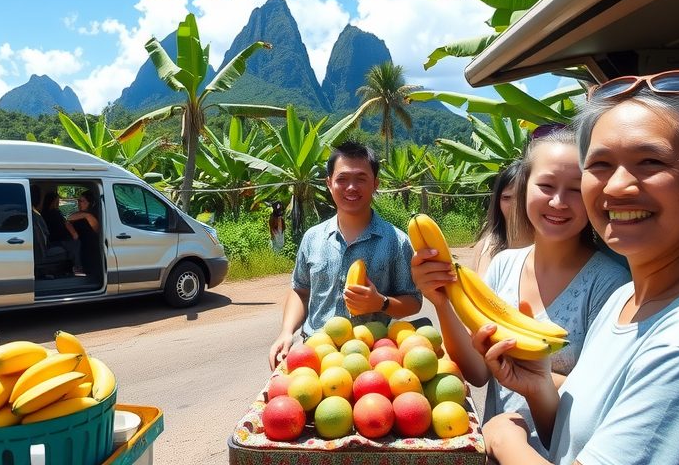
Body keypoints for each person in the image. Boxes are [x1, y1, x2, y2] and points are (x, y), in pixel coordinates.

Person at [475, 71, 679, 464]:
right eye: (599, 164)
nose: (616, 186)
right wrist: (539, 387)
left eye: (650, 161)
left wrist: (504, 442)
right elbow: (580, 437)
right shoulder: (626, 298)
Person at [413, 127, 628, 453]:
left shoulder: (611, 285)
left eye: (575, 189)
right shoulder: (504, 264)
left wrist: (538, 379)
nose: (558, 201)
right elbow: (479, 372)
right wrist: (441, 302)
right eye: (545, 186)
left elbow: (597, 408)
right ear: (524, 188)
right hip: (494, 451)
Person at [266, 141, 423, 369]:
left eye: (361, 178)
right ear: (329, 184)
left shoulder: (396, 241)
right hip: (315, 353)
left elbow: (413, 301)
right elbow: (300, 290)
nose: (351, 187)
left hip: (373, 359)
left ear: (375, 184)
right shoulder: (312, 238)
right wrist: (286, 333)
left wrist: (381, 302)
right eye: (342, 179)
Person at [467, 161, 522, 278]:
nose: (515, 205)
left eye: (522, 197)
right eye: (506, 198)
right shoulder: (484, 246)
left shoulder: (548, 250)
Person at [68, 188, 102, 278]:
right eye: (78, 201)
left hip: (90, 247)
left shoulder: (92, 215)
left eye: (82, 201)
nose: (79, 203)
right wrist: (74, 233)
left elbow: (97, 229)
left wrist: (87, 215)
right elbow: (68, 220)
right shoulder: (81, 214)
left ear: (90, 203)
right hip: (79, 244)